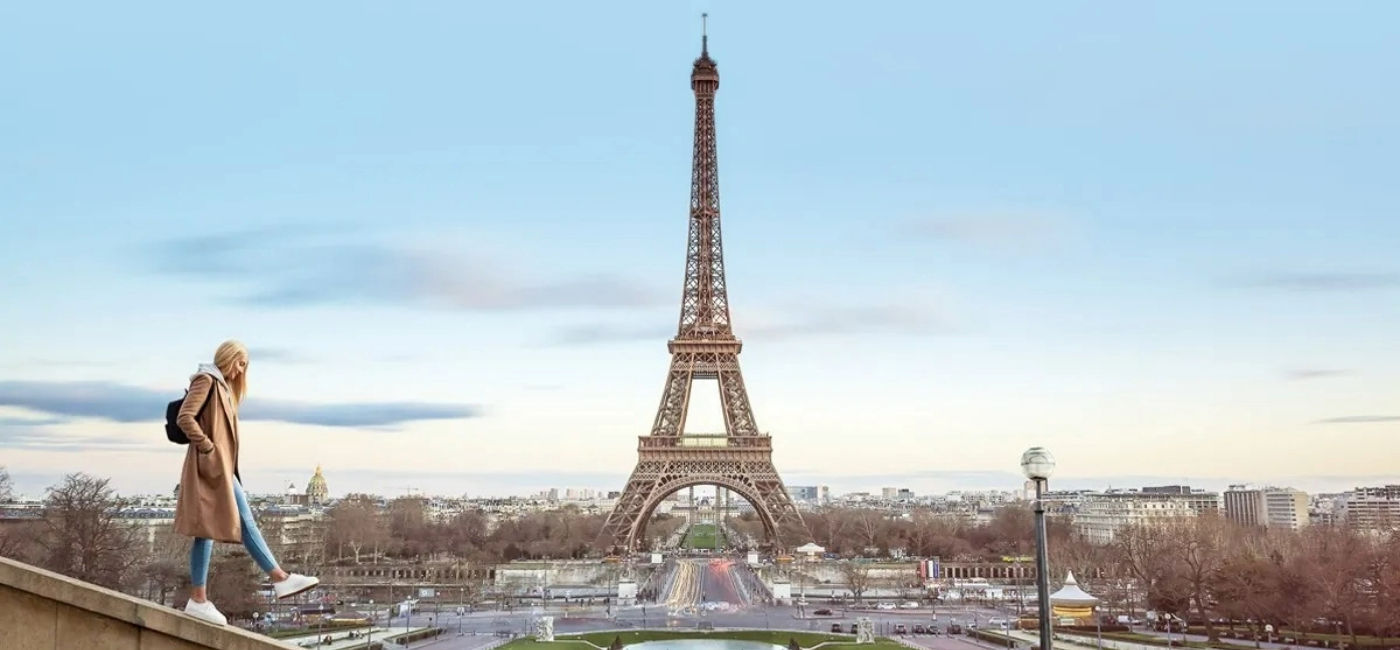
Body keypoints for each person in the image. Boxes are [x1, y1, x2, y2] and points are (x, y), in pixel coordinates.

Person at [174, 340, 319, 625]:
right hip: (213, 468)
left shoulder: (222, 387)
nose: (242, 371)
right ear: (228, 359)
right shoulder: (207, 380)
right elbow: (185, 418)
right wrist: (209, 448)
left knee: (209, 531)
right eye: (241, 363)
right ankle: (278, 577)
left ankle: (199, 599)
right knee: (240, 523)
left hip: (220, 469)